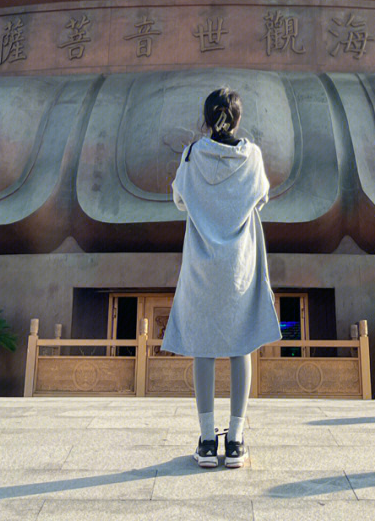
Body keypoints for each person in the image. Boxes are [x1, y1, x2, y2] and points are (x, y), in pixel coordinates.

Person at [160, 86, 281, 469]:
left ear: (207, 117)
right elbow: (261, 196)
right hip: (239, 262)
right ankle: (238, 439)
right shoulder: (252, 155)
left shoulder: (192, 154)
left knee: (204, 346)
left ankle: (208, 440)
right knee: (240, 344)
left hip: (201, 261)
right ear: (237, 118)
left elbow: (179, 198)